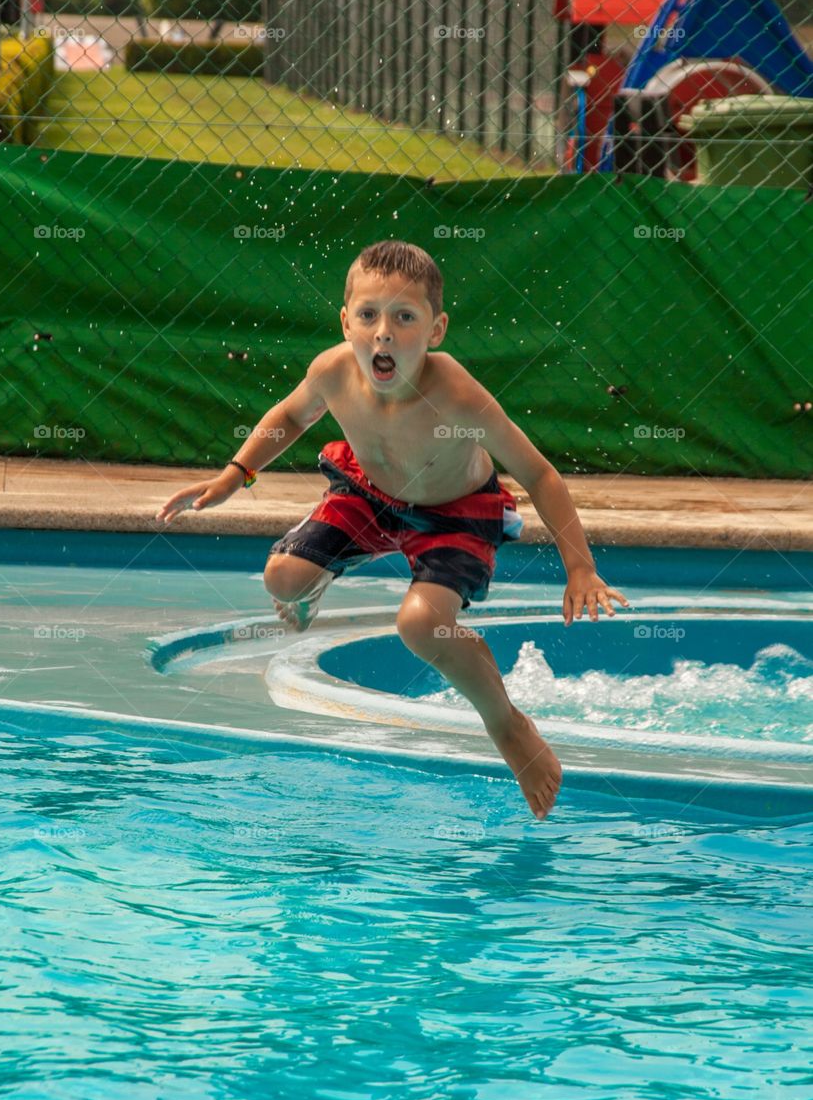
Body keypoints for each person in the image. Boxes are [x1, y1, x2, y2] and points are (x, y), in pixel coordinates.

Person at [156, 240, 629, 820]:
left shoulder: (456, 394)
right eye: (368, 315)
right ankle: (315, 583)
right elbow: (288, 417)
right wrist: (235, 475)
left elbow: (539, 473)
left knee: (422, 625)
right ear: (345, 321)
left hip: (452, 514)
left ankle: (506, 725)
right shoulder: (332, 371)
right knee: (281, 579)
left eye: (404, 318)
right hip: (368, 496)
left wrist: (580, 565)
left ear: (436, 330)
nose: (383, 333)